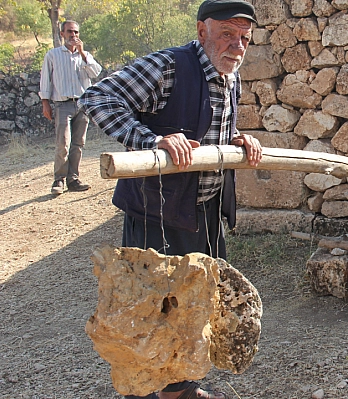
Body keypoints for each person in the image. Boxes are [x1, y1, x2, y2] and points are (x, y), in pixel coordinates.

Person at [78, 0, 263, 398]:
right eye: (227, 34)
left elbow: (206, 131)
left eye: (244, 38)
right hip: (158, 211)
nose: (237, 46)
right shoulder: (167, 66)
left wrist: (235, 141)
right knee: (158, 305)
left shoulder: (231, 76)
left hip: (205, 211)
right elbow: (96, 98)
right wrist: (152, 141)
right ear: (202, 31)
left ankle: (184, 385)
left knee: (200, 299)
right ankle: (157, 387)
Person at [39, 20, 102, 195]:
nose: (73, 36)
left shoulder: (85, 56)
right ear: (62, 34)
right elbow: (46, 80)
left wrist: (82, 53)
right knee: (63, 144)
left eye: (76, 32)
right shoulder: (53, 55)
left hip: (82, 104)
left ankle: (73, 179)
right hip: (62, 104)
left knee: (78, 143)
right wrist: (45, 102)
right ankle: (58, 180)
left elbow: (96, 72)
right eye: (69, 32)